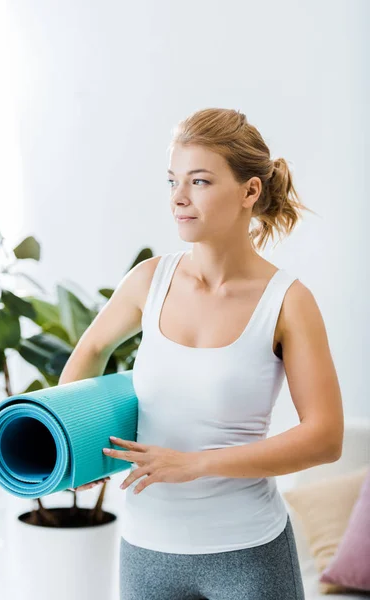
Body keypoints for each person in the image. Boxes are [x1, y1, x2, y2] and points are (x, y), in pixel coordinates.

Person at [60, 107, 344, 599]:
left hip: (248, 551)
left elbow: (325, 438)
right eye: (172, 180)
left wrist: (196, 463)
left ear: (249, 191)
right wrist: (76, 452)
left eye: (199, 181)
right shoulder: (149, 280)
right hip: (146, 552)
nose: (178, 198)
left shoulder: (287, 302)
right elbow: (91, 350)